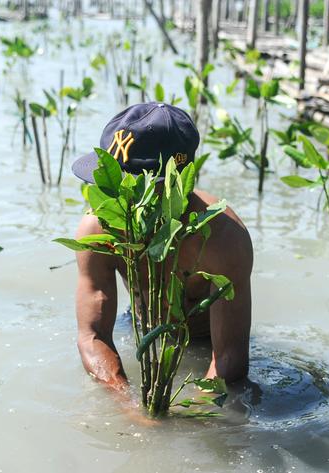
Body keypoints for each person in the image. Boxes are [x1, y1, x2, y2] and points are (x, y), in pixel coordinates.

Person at [70, 102, 253, 396]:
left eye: (134, 187)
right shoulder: (98, 226)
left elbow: (230, 359)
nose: (121, 199)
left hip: (206, 343)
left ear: (176, 183)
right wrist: (126, 402)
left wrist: (194, 413)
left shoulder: (223, 238)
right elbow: (92, 336)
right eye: (114, 184)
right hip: (142, 330)